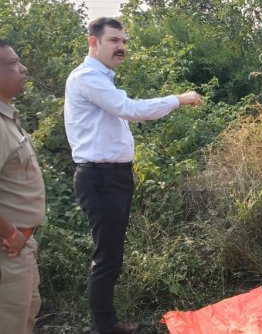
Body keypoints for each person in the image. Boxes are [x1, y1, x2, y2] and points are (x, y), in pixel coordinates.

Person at [64, 18, 202, 334]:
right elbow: (131, 110)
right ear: (93, 42)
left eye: (124, 41)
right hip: (99, 178)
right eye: (114, 40)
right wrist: (178, 99)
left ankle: (106, 323)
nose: (121, 47)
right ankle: (104, 327)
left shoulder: (100, 79)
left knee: (110, 254)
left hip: (110, 177)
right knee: (107, 258)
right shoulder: (88, 78)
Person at [0, 40, 46, 334]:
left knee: (25, 317)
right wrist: (11, 233)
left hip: (21, 246)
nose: (23, 68)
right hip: (9, 250)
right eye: (12, 63)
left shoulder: (8, 117)